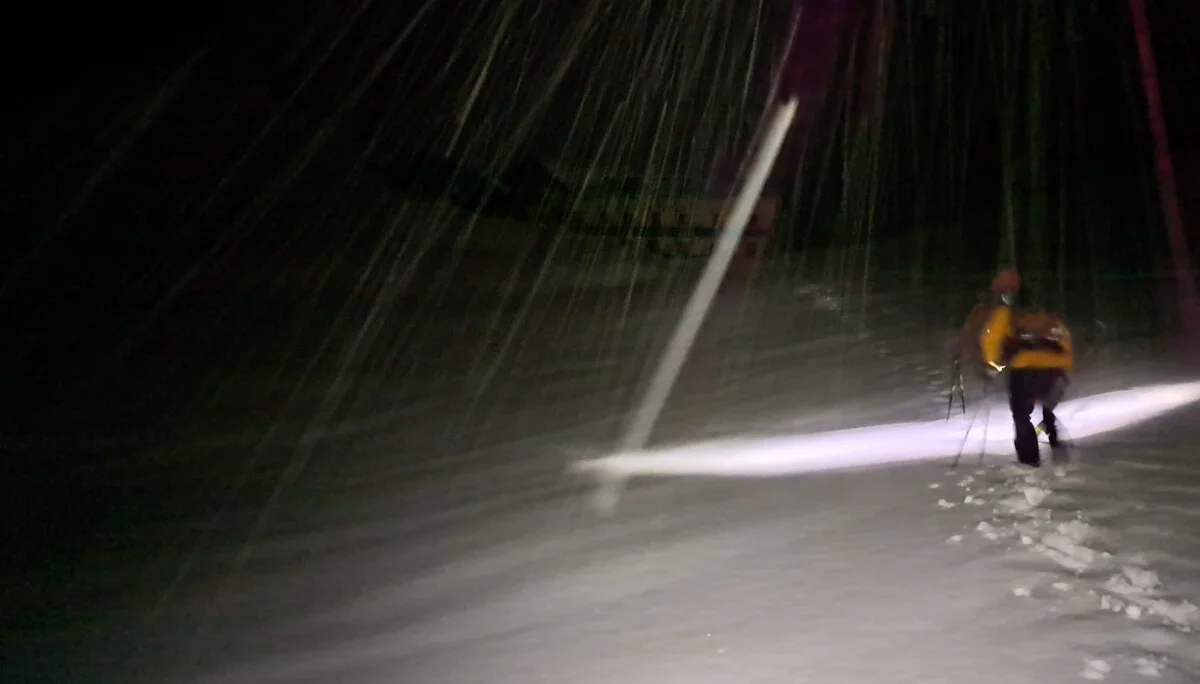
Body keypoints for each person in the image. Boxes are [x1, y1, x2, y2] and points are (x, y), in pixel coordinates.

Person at [979, 268, 1074, 467]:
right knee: (1046, 404)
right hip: (1054, 369)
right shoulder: (1048, 317)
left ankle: (1029, 460)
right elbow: (1065, 340)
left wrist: (992, 366)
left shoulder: (1007, 315)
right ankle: (1055, 440)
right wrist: (1064, 367)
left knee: (1022, 414)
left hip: (1024, 369)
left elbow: (991, 340)